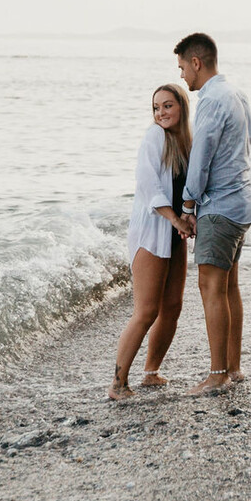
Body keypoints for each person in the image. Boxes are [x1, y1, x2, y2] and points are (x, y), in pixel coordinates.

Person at [172, 32, 251, 396]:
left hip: (219, 208)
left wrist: (188, 206)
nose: (181, 78)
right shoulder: (236, 92)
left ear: (196, 62)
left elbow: (202, 157)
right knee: (228, 288)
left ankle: (218, 373)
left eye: (181, 68)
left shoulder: (210, 100)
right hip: (242, 203)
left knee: (210, 288)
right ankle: (233, 367)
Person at [109, 84, 192, 400]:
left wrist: (189, 217)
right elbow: (148, 186)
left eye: (168, 106)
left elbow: (190, 189)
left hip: (175, 233)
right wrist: (176, 220)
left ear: (182, 107)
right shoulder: (154, 137)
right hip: (152, 233)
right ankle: (117, 384)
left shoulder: (185, 143)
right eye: (156, 107)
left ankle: (151, 371)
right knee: (146, 311)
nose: (161, 113)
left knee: (172, 306)